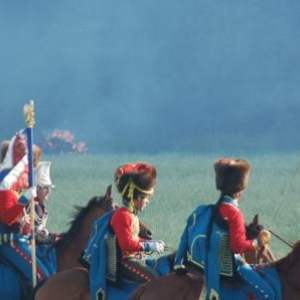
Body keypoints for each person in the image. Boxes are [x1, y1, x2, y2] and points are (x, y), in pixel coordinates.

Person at [174, 158, 275, 300]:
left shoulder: (210, 209)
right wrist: (259, 241)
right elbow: (237, 246)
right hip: (234, 267)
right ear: (240, 191)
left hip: (210, 267)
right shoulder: (234, 214)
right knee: (269, 294)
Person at [0, 133, 51, 287]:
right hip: (11, 243)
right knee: (42, 277)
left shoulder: (13, 189)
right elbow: (8, 217)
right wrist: (24, 199)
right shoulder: (6, 189)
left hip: (21, 240)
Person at [110, 162, 165, 283]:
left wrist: (151, 243)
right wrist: (149, 246)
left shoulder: (131, 215)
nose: (147, 202)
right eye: (145, 198)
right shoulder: (121, 215)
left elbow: (134, 239)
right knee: (156, 281)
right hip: (126, 262)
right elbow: (127, 244)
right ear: (137, 197)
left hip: (136, 258)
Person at [26, 161, 58, 244]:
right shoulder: (32, 205)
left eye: (49, 188)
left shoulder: (41, 205)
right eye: (46, 188)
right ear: (38, 189)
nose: (49, 191)